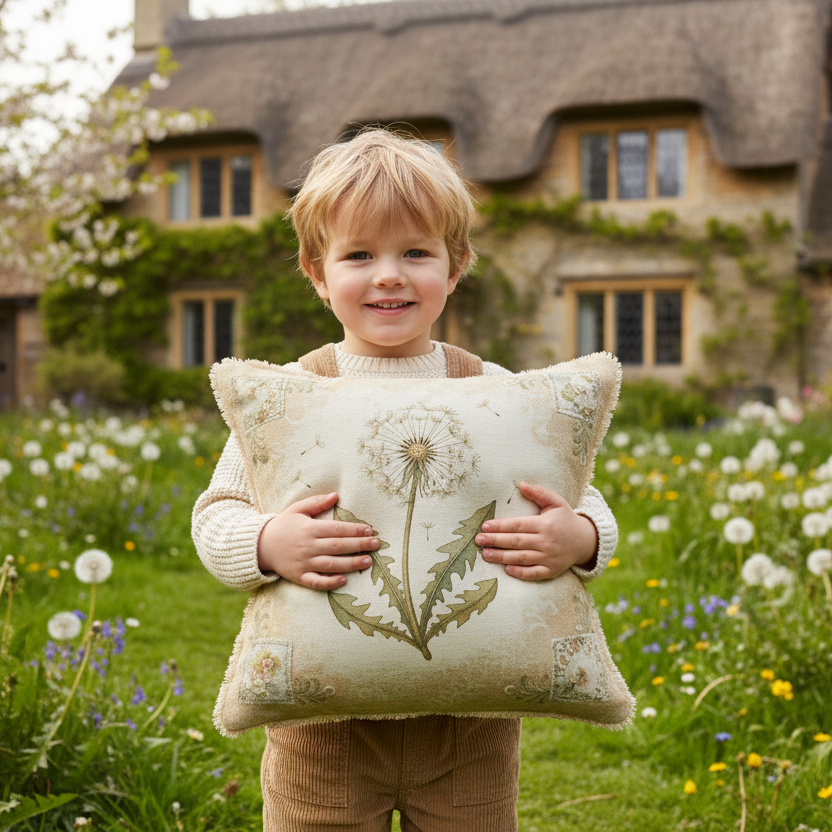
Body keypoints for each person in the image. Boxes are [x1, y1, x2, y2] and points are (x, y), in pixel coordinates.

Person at [192, 128, 618, 832]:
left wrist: (579, 537)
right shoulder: (291, 395)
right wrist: (267, 543)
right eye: (359, 255)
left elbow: (582, 498)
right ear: (318, 272)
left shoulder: (495, 391)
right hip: (320, 732)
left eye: (415, 253)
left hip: (468, 728)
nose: (388, 274)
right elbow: (216, 514)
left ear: (455, 267)